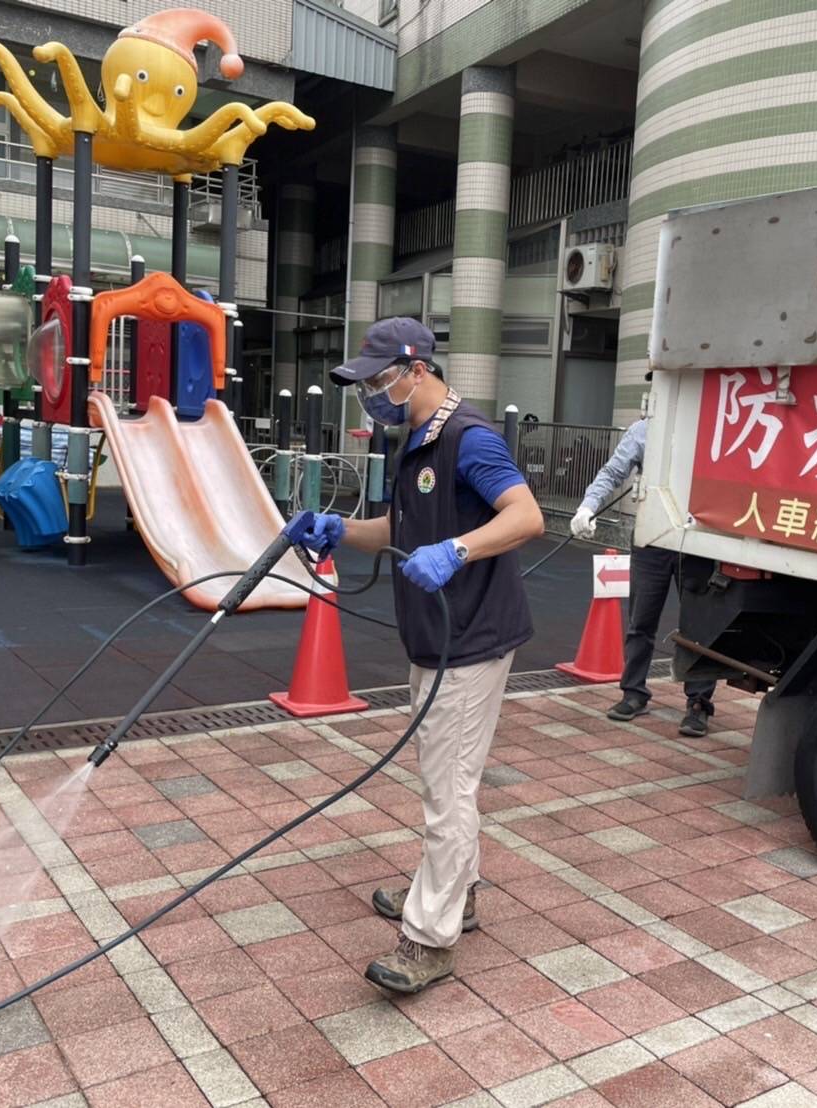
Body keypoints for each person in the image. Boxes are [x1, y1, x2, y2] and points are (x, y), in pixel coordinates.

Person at [301, 317, 544, 994]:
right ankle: (456, 895)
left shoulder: (470, 439)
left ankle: (429, 938)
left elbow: (525, 516)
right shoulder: (417, 441)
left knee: (448, 790)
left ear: (416, 370)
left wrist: (458, 549)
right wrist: (339, 529)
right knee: (451, 781)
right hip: (437, 640)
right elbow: (397, 531)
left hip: (468, 640)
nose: (372, 395)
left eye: (379, 381)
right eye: (367, 385)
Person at [570, 385, 716, 737]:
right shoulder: (644, 429)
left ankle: (699, 703)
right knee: (641, 621)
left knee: (700, 627)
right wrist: (588, 505)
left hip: (699, 540)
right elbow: (613, 472)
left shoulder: (710, 428)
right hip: (651, 538)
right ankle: (633, 692)